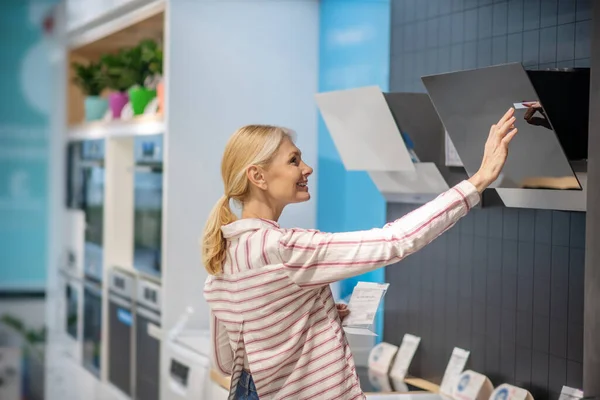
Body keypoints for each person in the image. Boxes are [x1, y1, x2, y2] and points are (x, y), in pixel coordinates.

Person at [202, 108, 518, 400]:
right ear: (258, 176)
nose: (307, 168)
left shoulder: (224, 253)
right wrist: (478, 181)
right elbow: (395, 240)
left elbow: (227, 360)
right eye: (294, 160)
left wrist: (303, 319)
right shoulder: (283, 248)